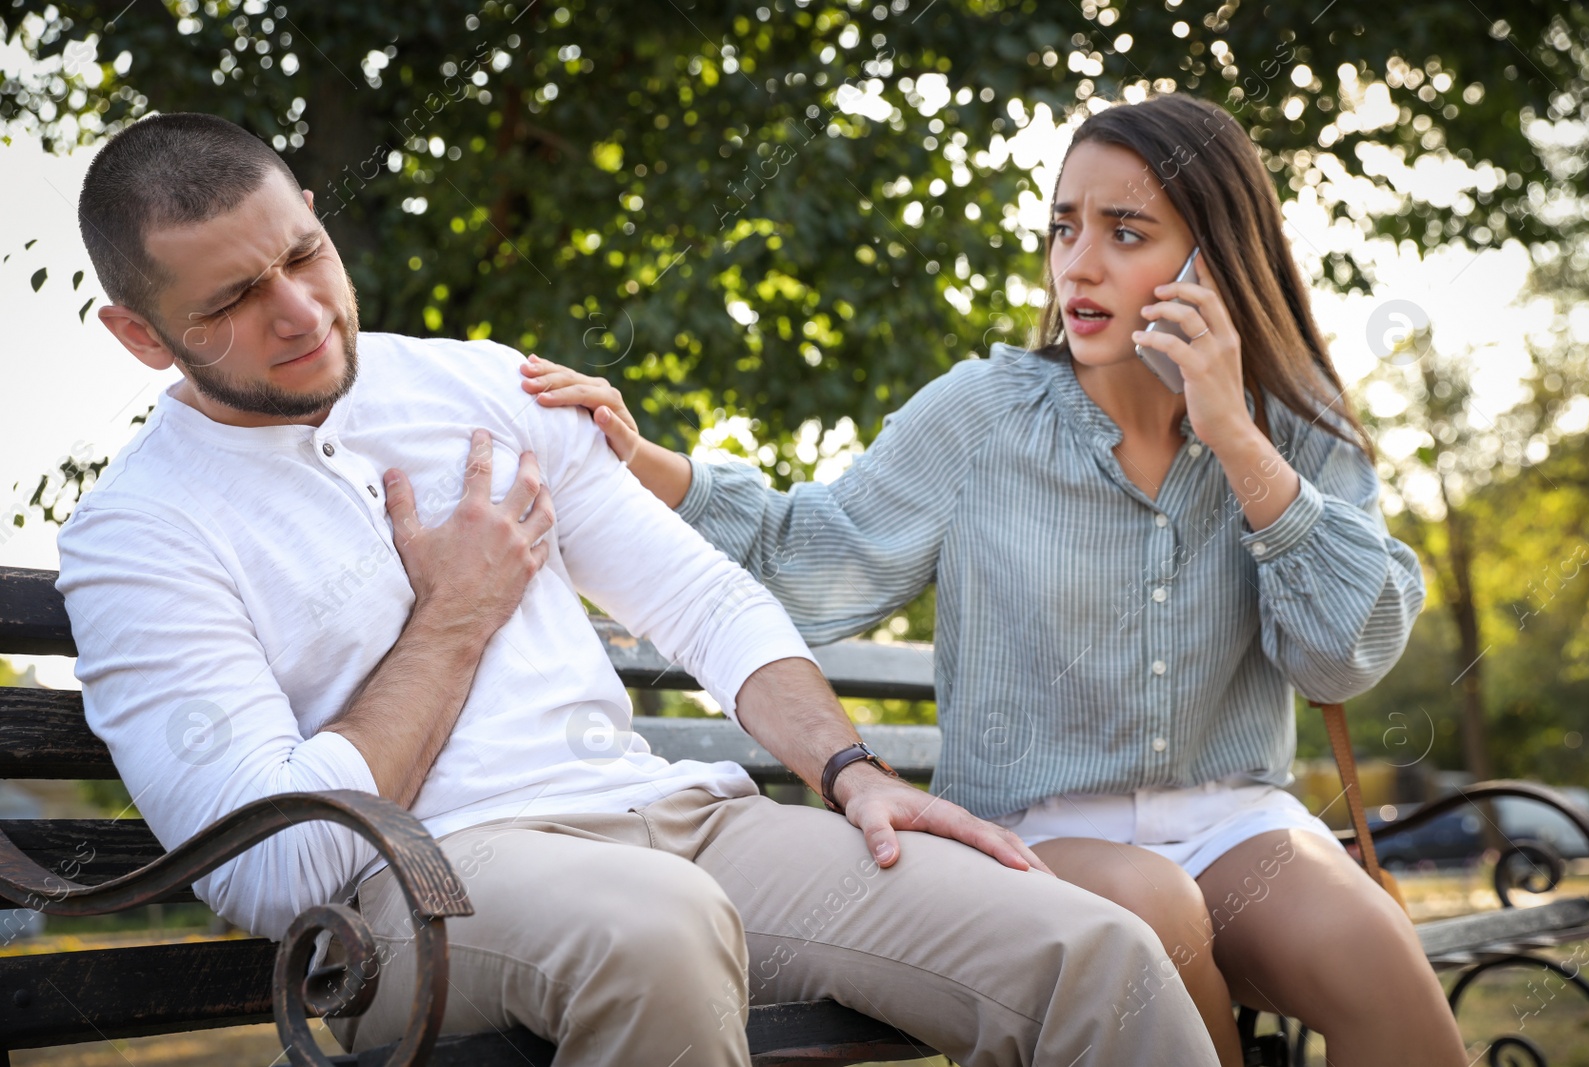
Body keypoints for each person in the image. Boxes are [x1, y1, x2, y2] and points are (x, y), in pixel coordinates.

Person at [56, 112, 1221, 1066]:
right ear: (141, 334)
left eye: (303, 253)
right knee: (656, 932)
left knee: (1090, 951)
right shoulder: (139, 536)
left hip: (677, 825)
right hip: (423, 887)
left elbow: (709, 601)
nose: (301, 312)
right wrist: (453, 619)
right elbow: (273, 865)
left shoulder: (486, 386)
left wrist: (849, 769)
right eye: (232, 301)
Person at [520, 93, 1470, 1066]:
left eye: (1124, 231)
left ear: (1214, 259)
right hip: (1033, 831)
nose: (1077, 265)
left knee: (1373, 950)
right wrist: (643, 460)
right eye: (1063, 227)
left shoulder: (1296, 422)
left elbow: (1340, 655)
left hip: (1237, 821)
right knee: (1152, 916)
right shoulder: (983, 413)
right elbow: (808, 557)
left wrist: (1236, 439)